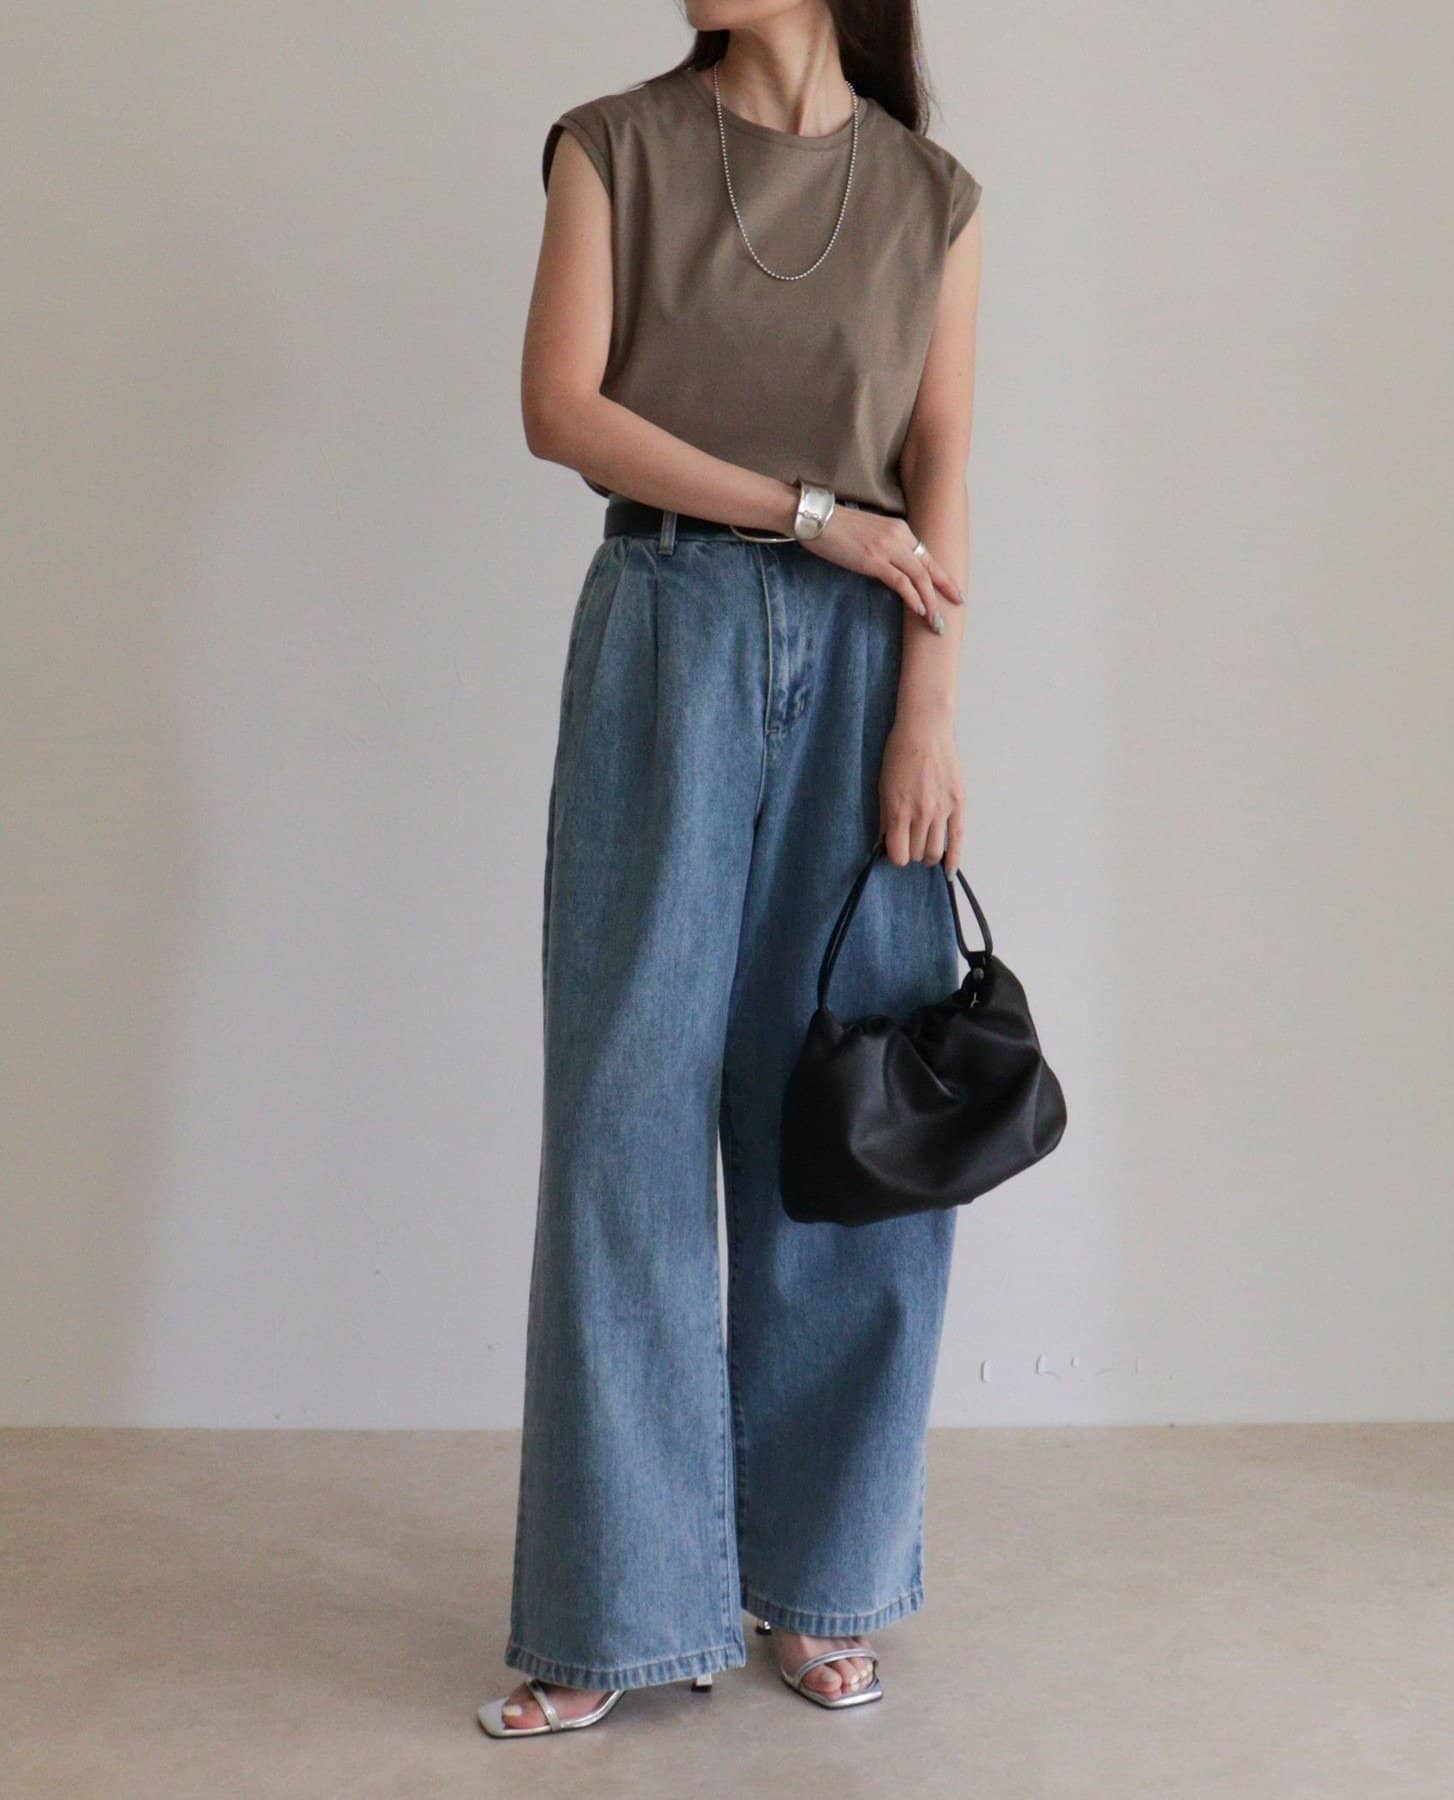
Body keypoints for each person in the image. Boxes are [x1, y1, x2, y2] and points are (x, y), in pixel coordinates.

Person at [478, 0, 982, 1739]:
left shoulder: (929, 195)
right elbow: (561, 409)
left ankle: (823, 1585)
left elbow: (942, 465)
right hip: (664, 627)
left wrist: (929, 713)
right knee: (622, 1121)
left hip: (870, 666)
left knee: (844, 1125)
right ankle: (611, 1611)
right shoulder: (611, 146)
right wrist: (806, 515)